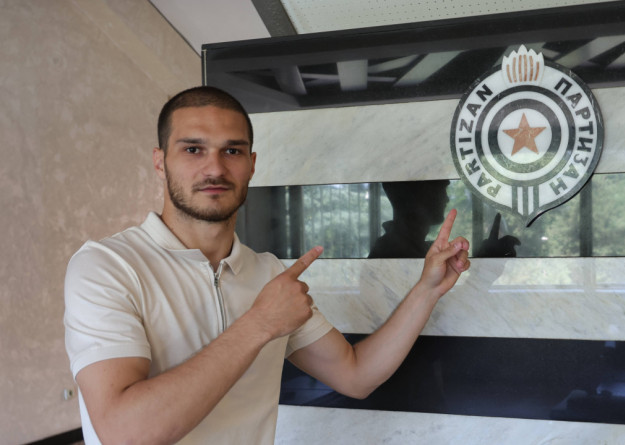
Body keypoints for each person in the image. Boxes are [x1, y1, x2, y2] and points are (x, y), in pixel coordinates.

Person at [64, 86, 471, 444]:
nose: (215, 168)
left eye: (232, 151)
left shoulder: (268, 274)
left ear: (252, 164)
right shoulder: (107, 267)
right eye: (193, 149)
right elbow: (125, 434)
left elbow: (356, 375)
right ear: (159, 161)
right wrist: (260, 324)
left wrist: (427, 290)